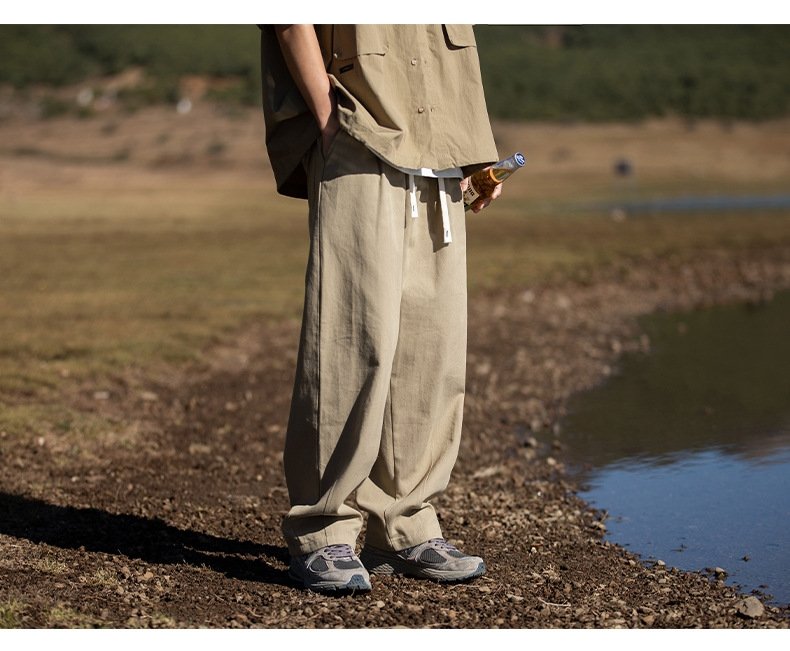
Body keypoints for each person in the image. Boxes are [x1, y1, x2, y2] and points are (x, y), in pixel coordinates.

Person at [260, 24, 501, 593]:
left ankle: (405, 524)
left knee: (431, 345)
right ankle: (323, 530)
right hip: (357, 133)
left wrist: (472, 149)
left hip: (442, 146)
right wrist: (327, 121)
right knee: (350, 337)